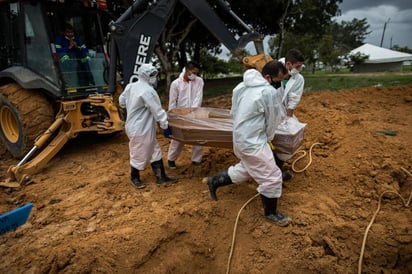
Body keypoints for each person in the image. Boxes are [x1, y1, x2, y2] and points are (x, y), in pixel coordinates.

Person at [204, 60, 292, 227]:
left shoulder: (240, 87)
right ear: (268, 77)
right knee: (272, 176)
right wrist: (268, 137)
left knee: (249, 168)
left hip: (240, 138)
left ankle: (214, 181)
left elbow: (234, 112)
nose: (280, 84)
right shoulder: (268, 92)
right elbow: (273, 119)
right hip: (253, 141)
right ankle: (271, 213)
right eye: (279, 80)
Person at [119, 63, 177, 189]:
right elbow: (157, 111)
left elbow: (121, 102)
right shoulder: (148, 91)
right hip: (140, 128)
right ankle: (134, 177)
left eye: (155, 75)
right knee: (138, 151)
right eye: (152, 75)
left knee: (154, 149)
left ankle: (160, 176)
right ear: (145, 75)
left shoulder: (131, 86)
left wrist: (132, 105)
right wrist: (165, 126)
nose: (154, 77)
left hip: (138, 126)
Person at [167, 61, 204, 169]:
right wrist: (172, 117)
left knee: (198, 137)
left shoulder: (199, 81)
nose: (195, 75)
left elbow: (198, 97)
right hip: (180, 115)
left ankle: (196, 160)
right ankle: (171, 159)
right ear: (187, 70)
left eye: (196, 73)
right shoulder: (176, 84)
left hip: (195, 114)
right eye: (193, 73)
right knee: (178, 138)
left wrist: (192, 111)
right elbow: (172, 102)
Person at [276, 49, 305, 181]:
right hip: (268, 111)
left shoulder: (298, 79)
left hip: (283, 113)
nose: (300, 69)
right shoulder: (273, 68)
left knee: (286, 140)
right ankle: (272, 173)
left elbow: (293, 101)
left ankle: (276, 170)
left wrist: (287, 121)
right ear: (288, 64)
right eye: (298, 66)